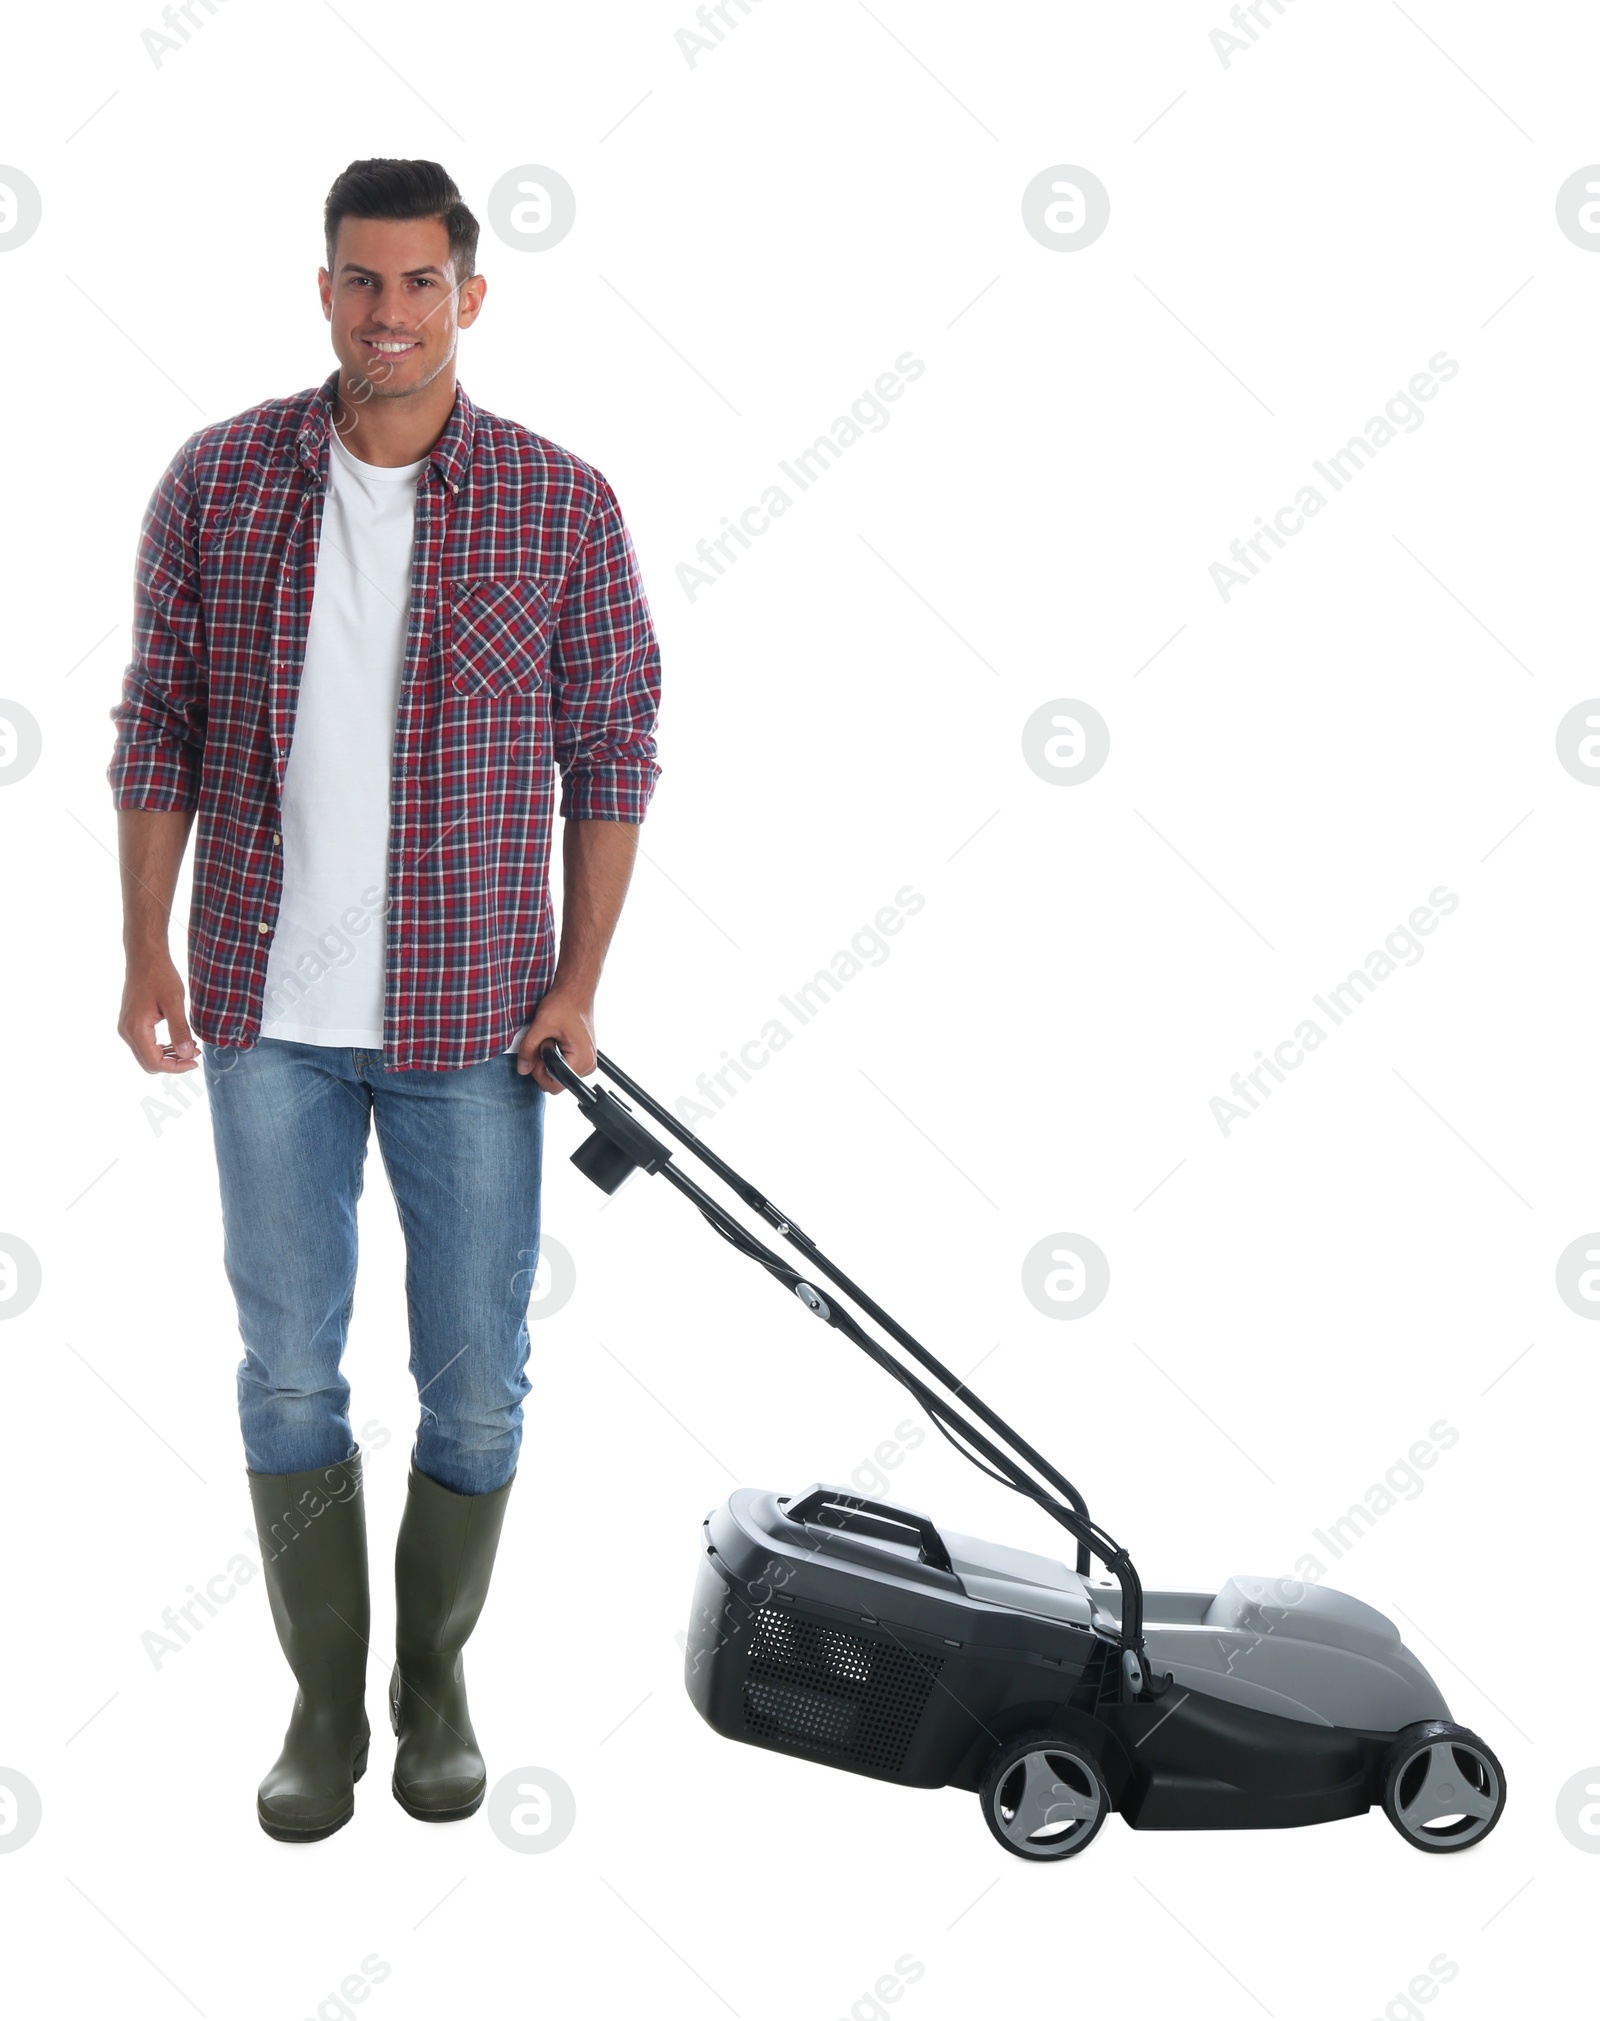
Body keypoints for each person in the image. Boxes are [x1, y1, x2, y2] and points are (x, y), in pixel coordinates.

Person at [107, 158, 662, 1841]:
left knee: (478, 1379)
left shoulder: (559, 503)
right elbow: (158, 728)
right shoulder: (218, 482)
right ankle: (320, 1702)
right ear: (325, 289)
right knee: (289, 1370)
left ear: (470, 298)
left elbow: (613, 746)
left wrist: (580, 981)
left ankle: (434, 1680)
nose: (390, 312)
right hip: (264, 1012)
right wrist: (144, 947)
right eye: (362, 280)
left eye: (423, 282)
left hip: (475, 1022)